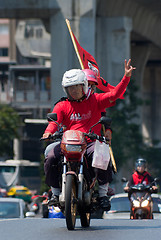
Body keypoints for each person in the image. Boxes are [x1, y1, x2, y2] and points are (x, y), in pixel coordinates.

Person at [42, 59, 135, 211]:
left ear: (84, 86)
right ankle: (55, 193)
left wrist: (126, 77)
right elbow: (54, 122)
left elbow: (115, 94)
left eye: (77, 87)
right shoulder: (62, 105)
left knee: (102, 155)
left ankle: (103, 194)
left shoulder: (96, 100)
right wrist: (48, 133)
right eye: (70, 88)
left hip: (90, 143)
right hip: (68, 143)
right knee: (51, 156)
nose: (73, 91)